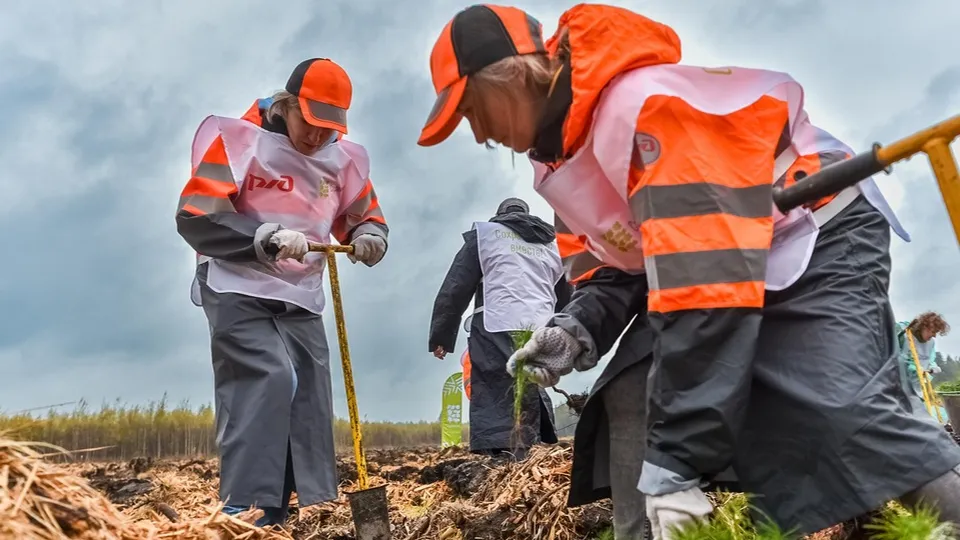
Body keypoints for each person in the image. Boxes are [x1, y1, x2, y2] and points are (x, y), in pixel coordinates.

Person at [416, 4, 960, 538]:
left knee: (843, 411)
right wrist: (574, 327)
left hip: (815, 228)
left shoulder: (642, 110)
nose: (478, 134)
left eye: (472, 111)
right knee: (628, 389)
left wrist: (677, 461)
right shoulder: (555, 161)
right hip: (714, 258)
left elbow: (706, 282)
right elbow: (620, 263)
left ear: (510, 79)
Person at [176, 58, 388, 527]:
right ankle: (243, 508)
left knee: (308, 395)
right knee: (269, 378)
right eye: (309, 124)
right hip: (237, 284)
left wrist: (372, 235)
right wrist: (262, 236)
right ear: (288, 105)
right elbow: (195, 215)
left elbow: (365, 212)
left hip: (301, 294)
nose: (316, 138)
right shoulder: (238, 143)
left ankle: (295, 506)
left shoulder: (343, 159)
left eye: (328, 129)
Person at [428, 198, 569, 457]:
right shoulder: (553, 244)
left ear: (500, 216)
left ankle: (501, 453)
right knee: (530, 381)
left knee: (494, 382)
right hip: (541, 324)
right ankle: (536, 442)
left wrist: (442, 336)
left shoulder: (485, 236)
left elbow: (456, 287)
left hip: (497, 321)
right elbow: (565, 292)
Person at [896, 311, 950, 410]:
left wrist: (932, 367)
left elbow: (930, 359)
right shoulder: (904, 333)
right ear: (924, 326)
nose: (934, 336)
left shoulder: (930, 343)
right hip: (898, 387)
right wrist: (912, 367)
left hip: (917, 389)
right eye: (933, 331)